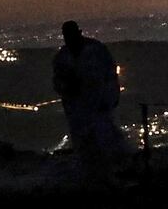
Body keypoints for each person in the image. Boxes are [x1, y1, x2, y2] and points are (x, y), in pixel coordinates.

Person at [52, 20, 129, 184]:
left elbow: (110, 76)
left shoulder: (96, 50)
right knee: (85, 146)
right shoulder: (63, 57)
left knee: (105, 141)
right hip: (78, 110)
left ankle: (113, 175)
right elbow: (57, 82)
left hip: (98, 106)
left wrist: (110, 97)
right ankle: (94, 177)